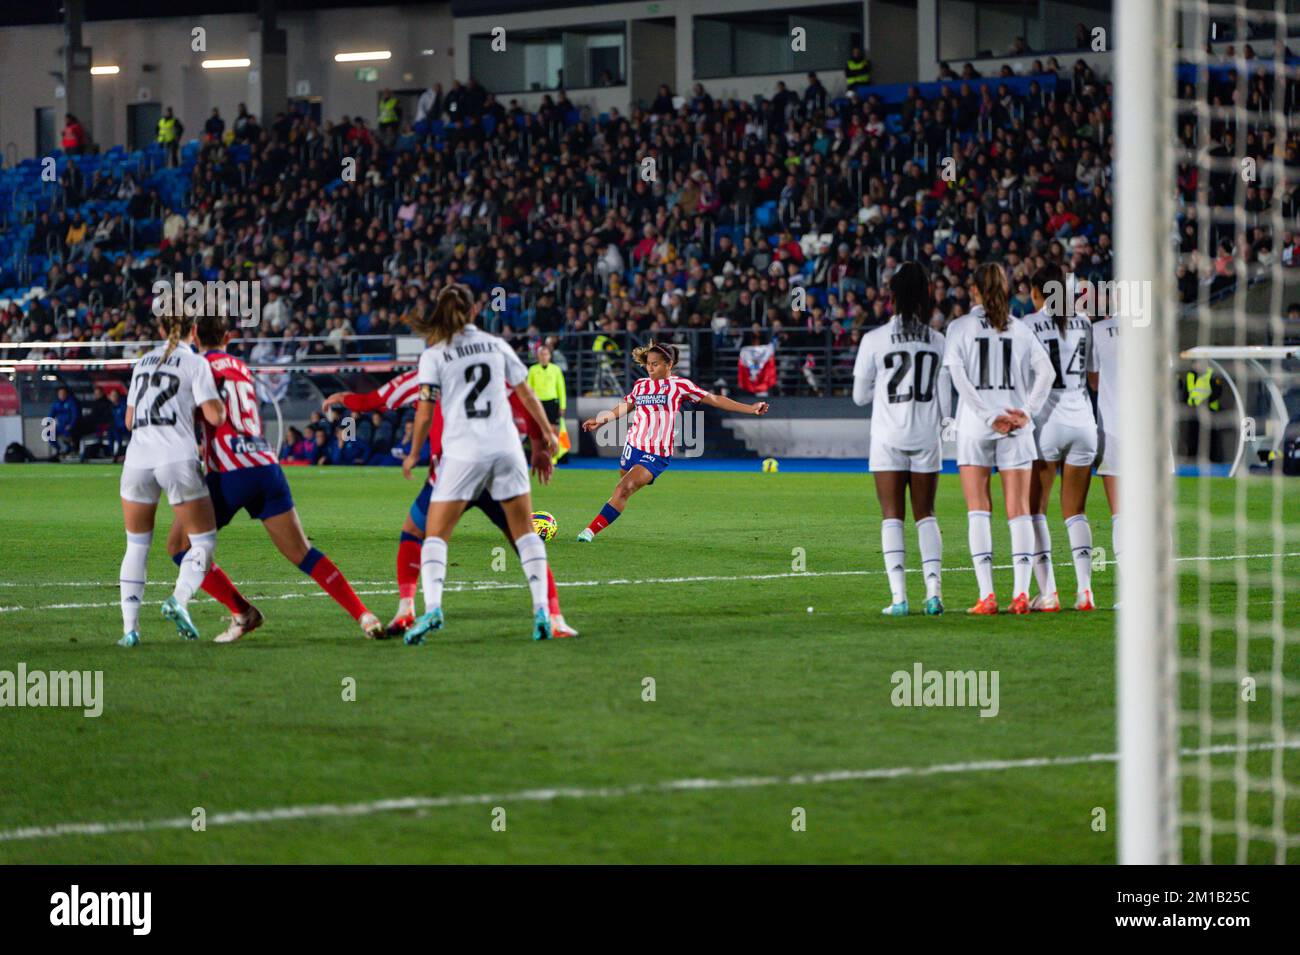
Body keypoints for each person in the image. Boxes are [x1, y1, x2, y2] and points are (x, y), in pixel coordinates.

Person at [321, 353, 578, 639]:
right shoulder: (491, 367)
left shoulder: (427, 373)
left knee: (417, 533)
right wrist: (538, 445)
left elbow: (375, 400)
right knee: (524, 539)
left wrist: (344, 397)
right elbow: (524, 401)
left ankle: (412, 610)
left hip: (454, 471)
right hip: (496, 466)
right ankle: (553, 616)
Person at [166, 314, 384, 642]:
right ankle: (363, 615)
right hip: (265, 465)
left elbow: (197, 414)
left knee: (180, 546)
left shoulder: (197, 366)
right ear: (228, 336)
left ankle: (243, 612)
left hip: (227, 472)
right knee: (303, 552)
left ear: (195, 334)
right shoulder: (241, 367)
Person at [400, 285, 559, 643]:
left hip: (463, 452)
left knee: (434, 535)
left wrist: (414, 453)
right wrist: (547, 433)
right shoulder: (496, 344)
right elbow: (526, 393)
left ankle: (433, 610)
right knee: (524, 533)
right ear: (474, 311)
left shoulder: (435, 354)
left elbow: (425, 413)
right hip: (506, 447)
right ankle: (541, 612)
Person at [943, 262, 1054, 615]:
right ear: (1006, 289)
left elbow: (958, 379)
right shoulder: (1019, 328)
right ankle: (1021, 594)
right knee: (1019, 511)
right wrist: (1027, 412)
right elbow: (1046, 372)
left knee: (978, 509)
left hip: (977, 426)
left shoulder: (959, 328)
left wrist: (988, 416)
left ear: (974, 290)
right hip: (1017, 426)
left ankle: (987, 595)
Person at [577, 342, 769, 542]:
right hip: (632, 446)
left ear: (668, 365)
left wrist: (750, 408)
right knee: (623, 486)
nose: (650, 369)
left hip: (657, 452)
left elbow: (715, 399)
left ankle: (589, 532)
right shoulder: (641, 385)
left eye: (655, 364)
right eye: (648, 364)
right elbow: (626, 406)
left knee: (623, 489)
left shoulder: (680, 386)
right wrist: (601, 420)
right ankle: (618, 501)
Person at [116, 312, 226, 646]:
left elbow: (129, 421)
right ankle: (178, 599)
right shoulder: (195, 363)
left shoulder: (142, 362)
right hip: (177, 457)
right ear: (194, 329)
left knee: (136, 546)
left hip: (137, 459)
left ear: (161, 329)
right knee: (203, 541)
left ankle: (130, 631)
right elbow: (215, 415)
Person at [852, 261, 951, 616]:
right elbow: (945, 401)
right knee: (926, 515)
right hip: (926, 436)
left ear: (891, 297)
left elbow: (859, 397)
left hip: (887, 436)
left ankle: (899, 599)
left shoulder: (874, 340)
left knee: (892, 517)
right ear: (926, 297)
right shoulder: (939, 341)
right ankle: (934, 594)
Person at [1021, 264, 1098, 612]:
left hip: (1045, 425)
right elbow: (1093, 378)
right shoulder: (1084, 323)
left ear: (1038, 291)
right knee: (1075, 512)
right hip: (1084, 423)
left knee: (1035, 510)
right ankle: (1085, 592)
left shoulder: (1027, 325)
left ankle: (1048, 592)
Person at [1089, 308, 1120, 603]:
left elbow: (1094, 382)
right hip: (1154, 434)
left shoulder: (1098, 331)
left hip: (1114, 429)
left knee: (1121, 515)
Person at [526, 344, 568, 461]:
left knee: (552, 430)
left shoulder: (556, 369)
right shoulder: (533, 370)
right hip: (538, 403)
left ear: (549, 356)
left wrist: (562, 405)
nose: (544, 357)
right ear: (538, 356)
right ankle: (540, 455)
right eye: (541, 354)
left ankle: (552, 458)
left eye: (546, 354)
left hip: (552, 402)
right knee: (538, 430)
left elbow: (561, 388)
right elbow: (529, 389)